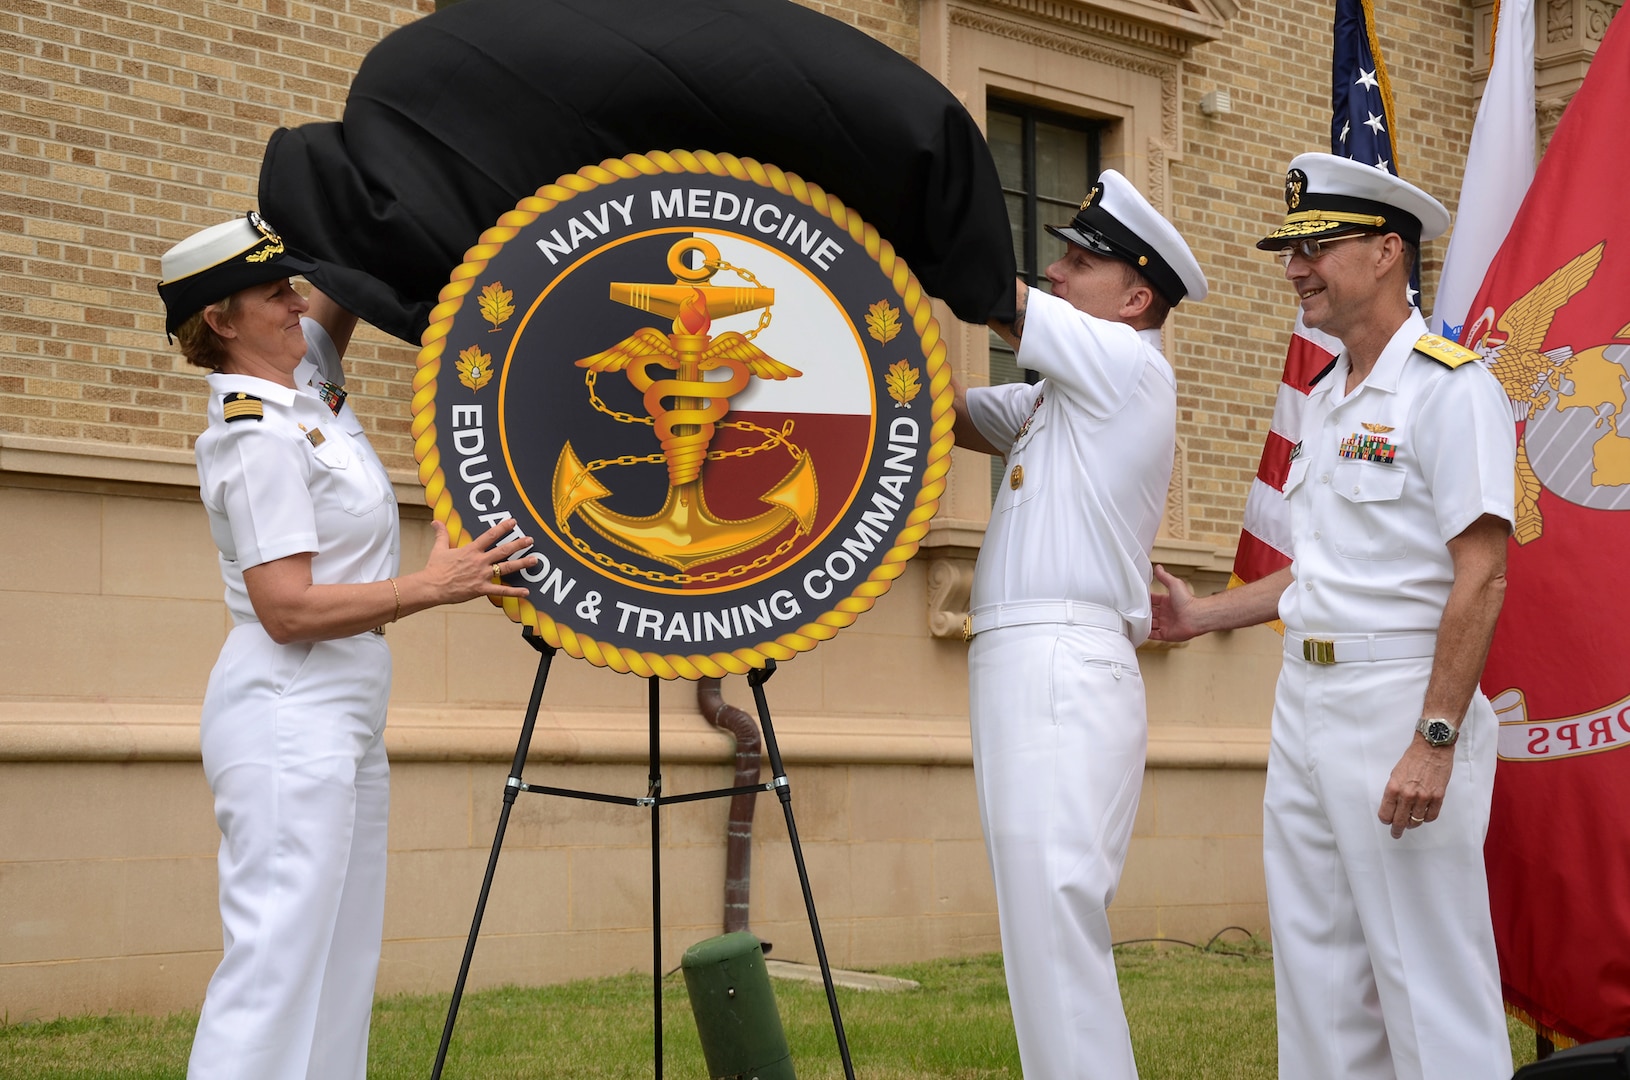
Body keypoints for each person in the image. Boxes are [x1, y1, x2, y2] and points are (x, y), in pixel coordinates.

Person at [1149, 153, 1516, 1080]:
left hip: (1399, 700)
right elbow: (1317, 574)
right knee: (1317, 977)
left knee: (1428, 981)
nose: (1295, 267)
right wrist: (1201, 617)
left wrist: (1434, 737)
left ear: (1389, 251)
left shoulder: (1449, 386)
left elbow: (1482, 574)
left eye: (1318, 245)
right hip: (1306, 701)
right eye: (1291, 249)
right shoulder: (1323, 399)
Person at [158, 212, 539, 1080]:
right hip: (291, 704)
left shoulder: (305, 387)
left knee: (339, 964)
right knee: (276, 969)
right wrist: (432, 587)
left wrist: (377, 205)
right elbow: (285, 607)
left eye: (291, 286)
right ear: (220, 321)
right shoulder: (254, 435)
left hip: (348, 701)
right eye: (273, 293)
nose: (296, 303)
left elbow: (339, 290)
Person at [951, 170, 1208, 1079]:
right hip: (1024, 660)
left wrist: (920, 224)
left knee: (1054, 906)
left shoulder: (1129, 363)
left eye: (1080, 260)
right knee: (1036, 914)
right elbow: (949, 416)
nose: (1056, 272)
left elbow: (994, 298)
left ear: (1137, 297)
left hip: (1060, 660)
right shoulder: (1068, 393)